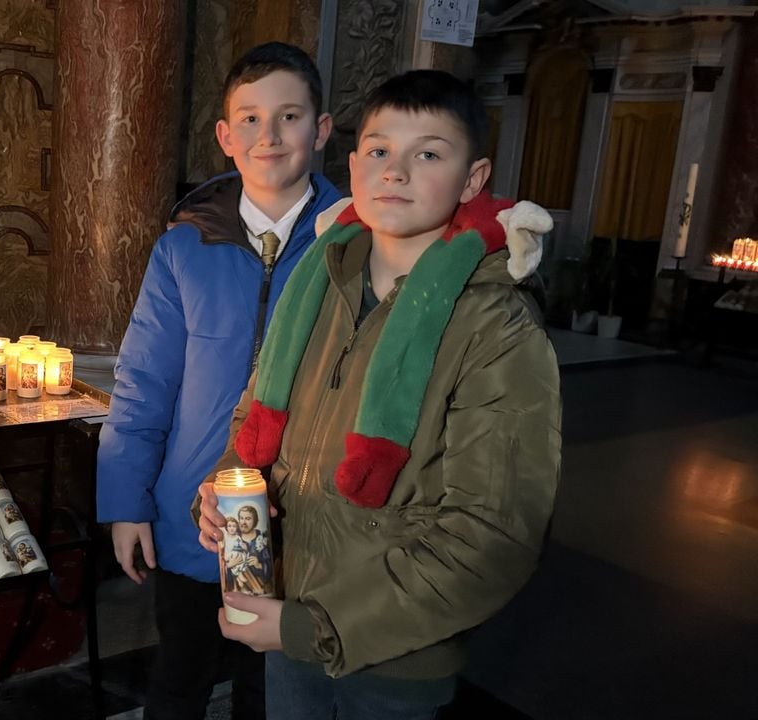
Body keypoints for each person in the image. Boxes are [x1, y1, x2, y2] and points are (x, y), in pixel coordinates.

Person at [195, 69, 561, 718]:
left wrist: (312, 627)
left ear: (472, 180)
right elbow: (254, 415)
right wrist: (228, 489)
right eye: (379, 151)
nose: (395, 171)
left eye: (427, 154)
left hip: (395, 653)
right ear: (355, 164)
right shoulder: (320, 278)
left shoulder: (495, 324)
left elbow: (492, 535)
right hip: (291, 619)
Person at [96, 41, 342, 720]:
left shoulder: (355, 244)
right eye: (252, 119)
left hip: (307, 514)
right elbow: (144, 379)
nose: (271, 135)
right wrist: (127, 501)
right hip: (193, 509)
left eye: (290, 117)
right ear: (226, 137)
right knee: (180, 675)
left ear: (320, 131)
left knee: (279, 687)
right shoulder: (184, 247)